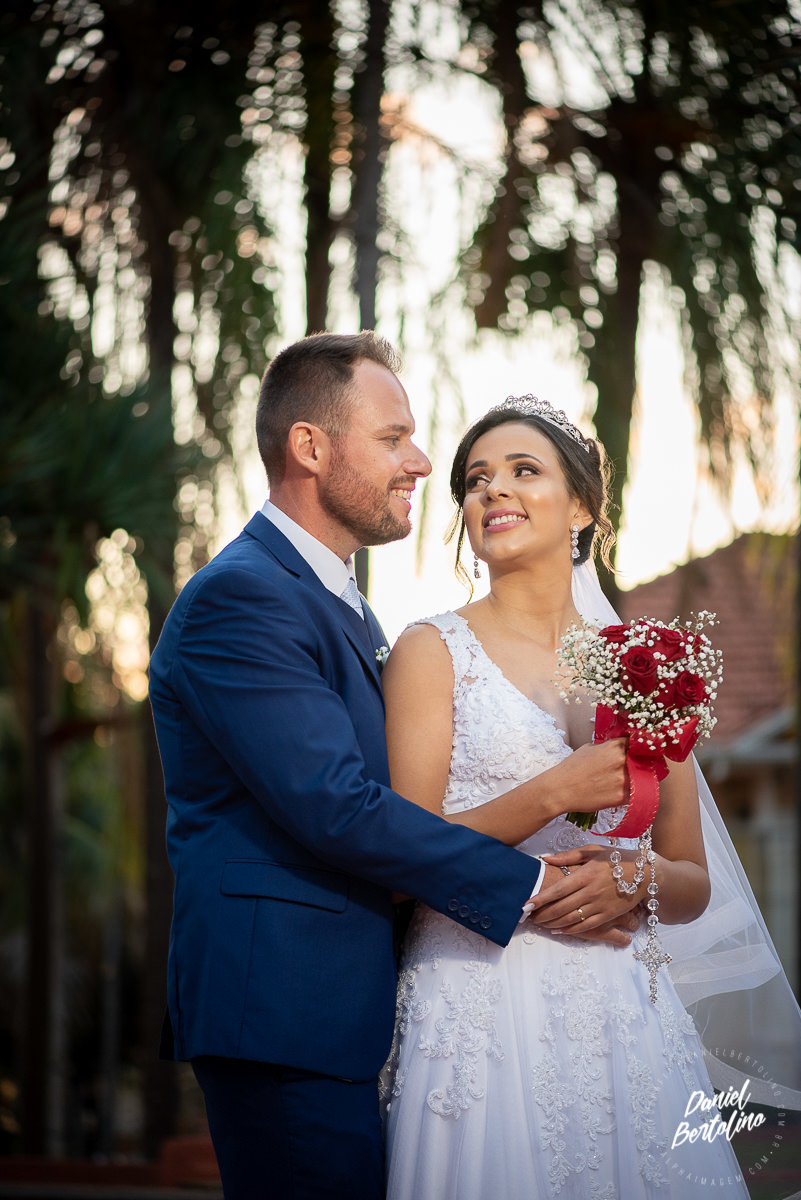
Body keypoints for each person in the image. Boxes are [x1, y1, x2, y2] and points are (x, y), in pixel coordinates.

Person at [148, 334, 638, 1200]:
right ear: (310, 446)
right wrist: (536, 884)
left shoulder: (343, 606)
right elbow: (337, 807)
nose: (420, 462)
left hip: (349, 1007)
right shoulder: (244, 597)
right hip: (285, 1009)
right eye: (392, 437)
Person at [380, 395, 782, 1198]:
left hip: (619, 1003)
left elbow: (690, 879)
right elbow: (401, 854)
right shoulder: (429, 652)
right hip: (476, 999)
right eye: (474, 480)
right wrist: (550, 792)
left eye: (523, 470)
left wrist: (630, 880)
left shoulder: (644, 664)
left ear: (584, 506)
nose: (491, 491)